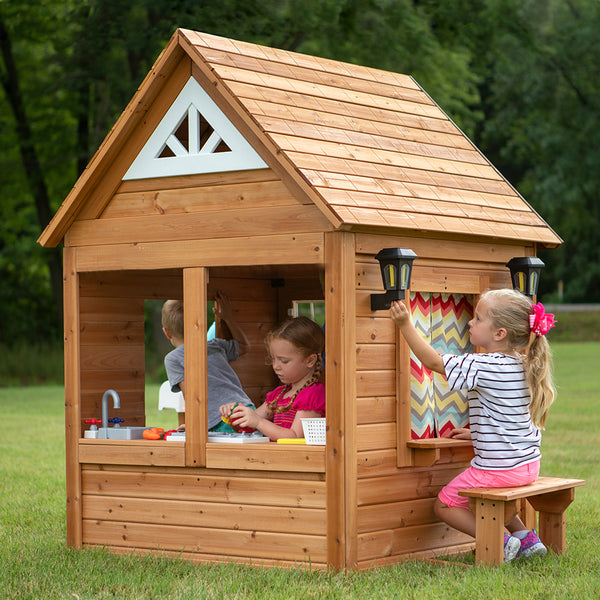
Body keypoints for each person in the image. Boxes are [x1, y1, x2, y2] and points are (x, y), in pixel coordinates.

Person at [390, 288, 556, 562]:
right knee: (495, 496)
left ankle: (499, 541)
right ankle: (527, 540)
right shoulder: (525, 363)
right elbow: (506, 415)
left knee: (444, 504)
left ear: (499, 334)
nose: (469, 322)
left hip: (500, 469)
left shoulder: (485, 365)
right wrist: (475, 431)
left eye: (478, 319)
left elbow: (433, 361)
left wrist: (406, 324)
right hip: (527, 464)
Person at [220, 316, 325, 441]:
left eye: (284, 361)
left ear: (310, 360)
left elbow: (295, 437)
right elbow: (249, 426)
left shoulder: (313, 394)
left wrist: (258, 422)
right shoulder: (279, 394)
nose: (275, 366)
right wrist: (235, 415)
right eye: (273, 359)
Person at [161, 291, 255, 432]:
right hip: (244, 409)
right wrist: (228, 318)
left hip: (219, 420)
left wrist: (194, 425)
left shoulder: (172, 359)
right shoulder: (215, 345)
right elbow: (244, 346)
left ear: (166, 332)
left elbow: (191, 397)